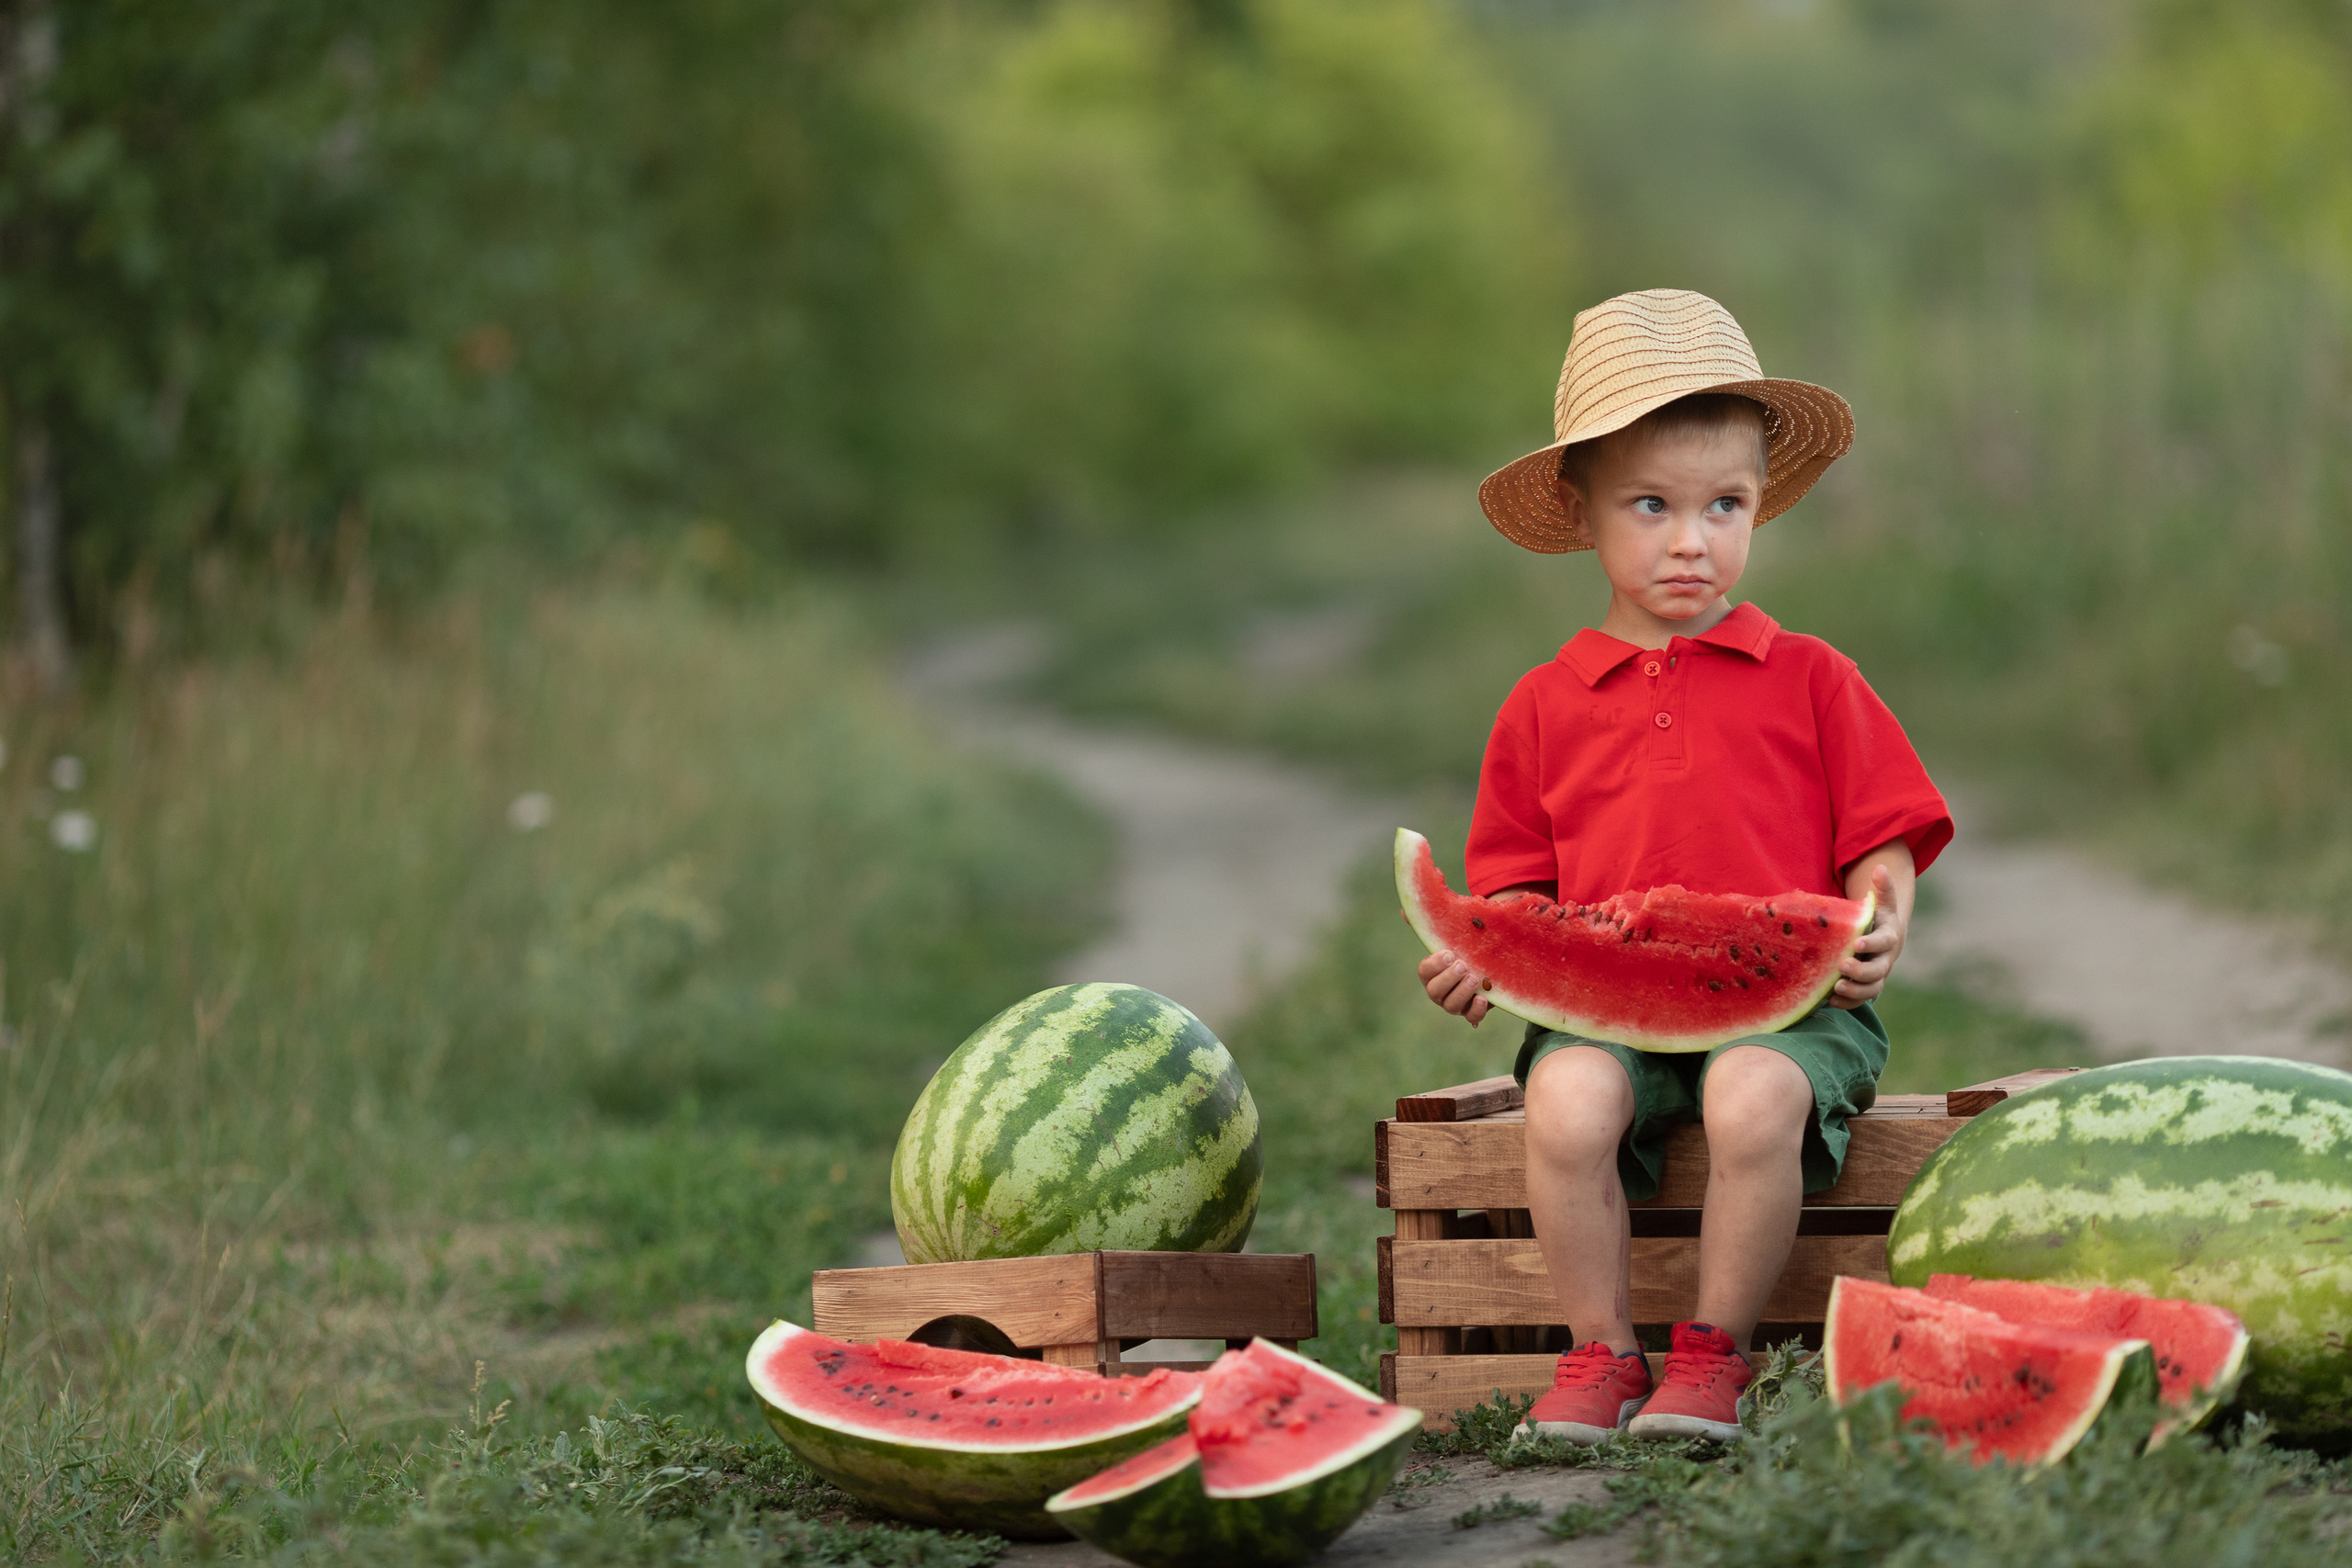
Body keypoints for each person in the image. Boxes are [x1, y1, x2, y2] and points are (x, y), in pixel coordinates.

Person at [1418, 289, 1951, 1442]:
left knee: (1751, 1093)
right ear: (1581, 510)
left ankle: (1715, 1351)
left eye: (1725, 505)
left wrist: (1876, 923)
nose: (1688, 541)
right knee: (1563, 1102)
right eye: (1649, 505)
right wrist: (1485, 956)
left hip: (1800, 1015)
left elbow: (1885, 839)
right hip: (1601, 1016)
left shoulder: (1809, 674)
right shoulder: (1542, 705)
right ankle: (1600, 1354)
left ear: (1760, 508)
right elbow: (1511, 898)